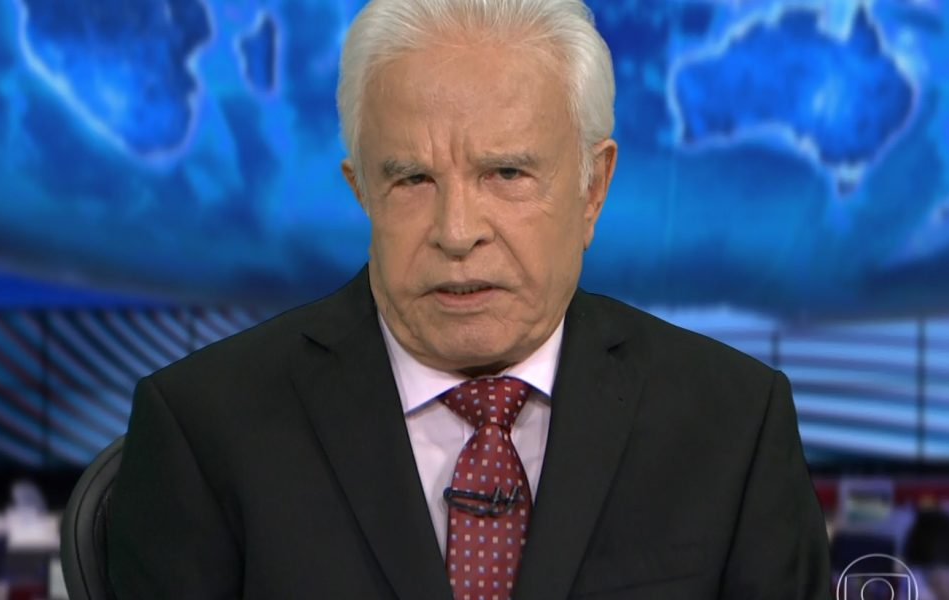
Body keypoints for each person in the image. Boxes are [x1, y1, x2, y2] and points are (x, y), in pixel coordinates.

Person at [105, 0, 831, 597]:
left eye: (506, 174)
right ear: (362, 191)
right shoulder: (202, 431)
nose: (456, 232)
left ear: (593, 188)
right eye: (412, 180)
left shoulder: (736, 426)